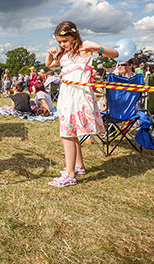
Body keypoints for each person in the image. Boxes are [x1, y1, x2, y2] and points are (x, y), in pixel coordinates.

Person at [45, 21, 118, 188]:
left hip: (79, 96)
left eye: (64, 41)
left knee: (67, 133)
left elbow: (115, 54)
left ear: (74, 36)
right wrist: (50, 53)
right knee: (72, 131)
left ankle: (70, 175)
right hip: (66, 95)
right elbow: (49, 64)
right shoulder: (65, 53)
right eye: (59, 42)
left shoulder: (85, 47)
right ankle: (79, 166)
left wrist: (98, 48)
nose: (62, 45)